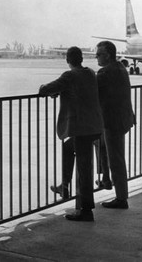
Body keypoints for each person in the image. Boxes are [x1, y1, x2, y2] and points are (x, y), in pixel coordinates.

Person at [39, 46, 103, 221]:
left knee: (84, 169)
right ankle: (65, 186)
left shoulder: (69, 75)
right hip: (93, 125)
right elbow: (77, 90)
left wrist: (48, 89)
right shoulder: (90, 73)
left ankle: (86, 210)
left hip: (81, 128)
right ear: (81, 58)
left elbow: (45, 89)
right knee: (69, 149)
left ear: (68, 59)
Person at [96, 41, 135, 209]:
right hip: (123, 118)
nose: (97, 57)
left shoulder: (105, 73)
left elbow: (92, 92)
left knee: (116, 159)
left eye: (99, 54)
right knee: (103, 146)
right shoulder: (120, 68)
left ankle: (121, 198)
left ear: (108, 55)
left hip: (112, 121)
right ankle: (106, 179)